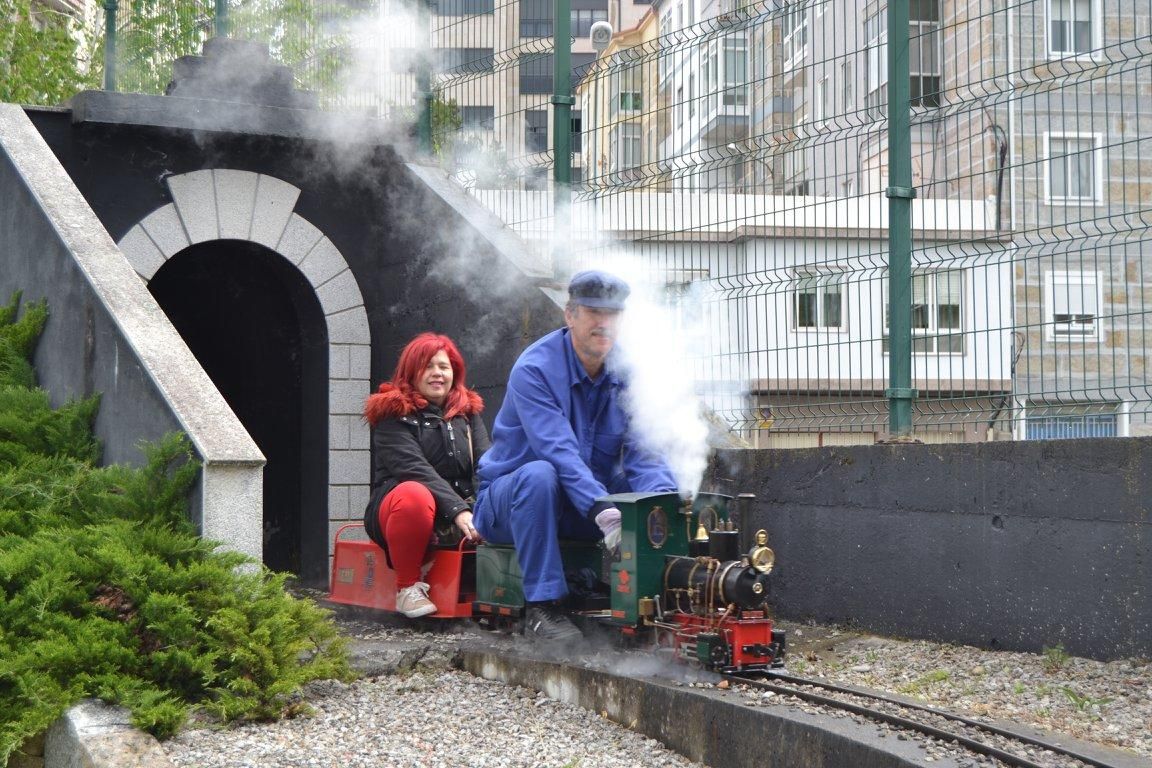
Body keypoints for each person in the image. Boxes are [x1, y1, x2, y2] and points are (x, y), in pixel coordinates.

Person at [473, 270, 677, 642]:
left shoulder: (629, 373)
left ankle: (654, 603)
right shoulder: (534, 369)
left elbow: (644, 454)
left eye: (612, 314)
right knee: (540, 474)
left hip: (581, 508)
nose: (604, 323)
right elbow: (559, 452)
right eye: (593, 312)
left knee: (644, 491)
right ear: (569, 315)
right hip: (511, 506)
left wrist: (665, 514)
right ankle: (542, 608)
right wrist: (604, 509)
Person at [363, 332, 489, 618]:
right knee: (414, 494)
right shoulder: (392, 414)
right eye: (428, 366)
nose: (437, 374)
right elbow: (415, 469)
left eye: (444, 367)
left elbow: (486, 463)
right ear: (411, 371)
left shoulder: (468, 414)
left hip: (463, 507)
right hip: (403, 508)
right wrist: (459, 510)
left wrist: (487, 507)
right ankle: (407, 588)